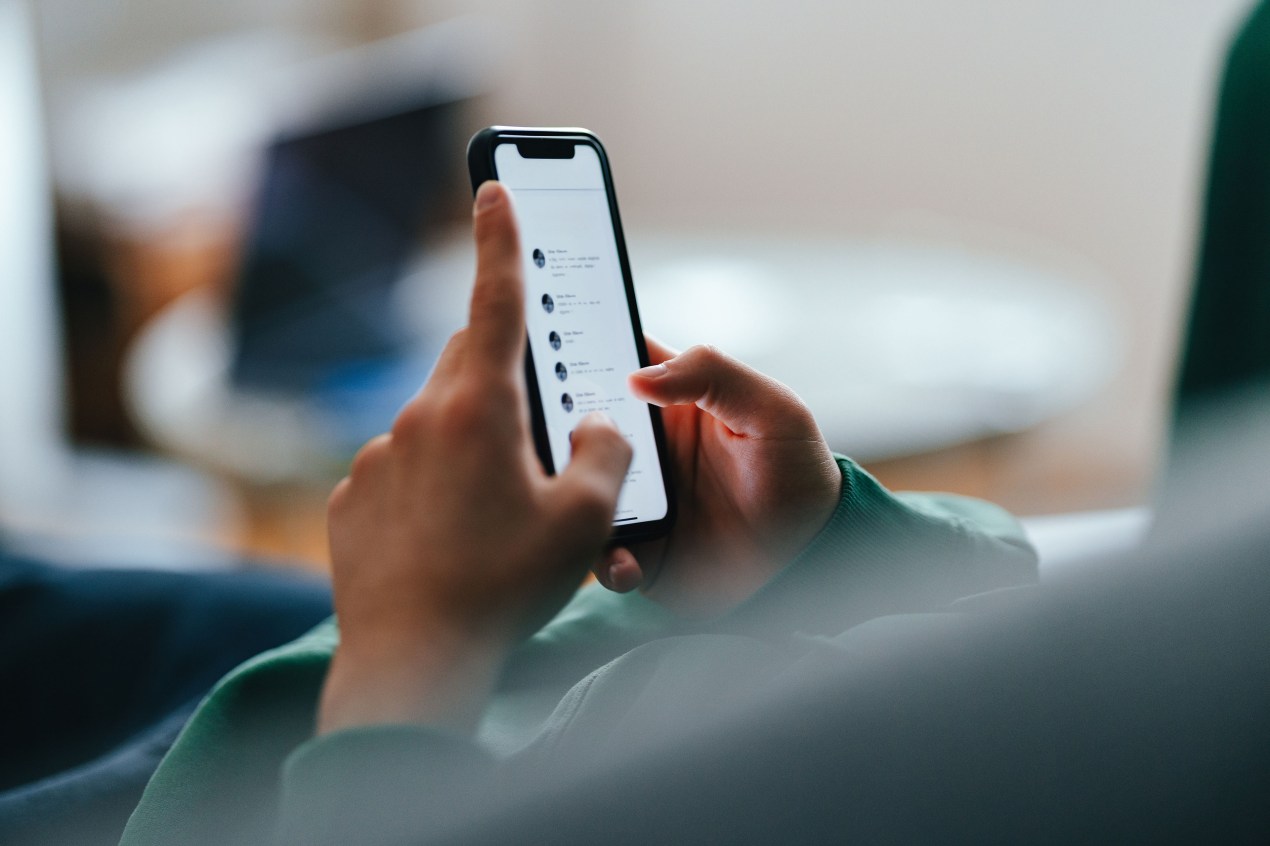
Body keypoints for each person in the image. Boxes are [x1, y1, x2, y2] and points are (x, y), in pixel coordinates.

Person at [118, 181, 1037, 845]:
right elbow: (998, 589)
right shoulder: (1035, 693)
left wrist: (402, 671)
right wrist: (818, 553)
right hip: (399, 661)